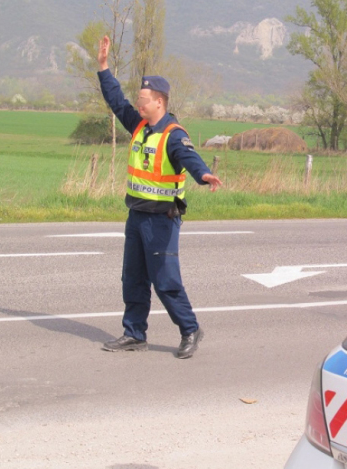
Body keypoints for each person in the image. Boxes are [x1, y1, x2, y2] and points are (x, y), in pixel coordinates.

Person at [96, 35, 222, 358]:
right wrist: (103, 68)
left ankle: (191, 329)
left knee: (165, 281)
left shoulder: (173, 134)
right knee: (133, 278)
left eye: (143, 99)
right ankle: (134, 333)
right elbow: (116, 101)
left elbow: (189, 158)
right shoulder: (139, 126)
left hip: (162, 220)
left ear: (159, 103)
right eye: (138, 98)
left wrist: (204, 174)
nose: (138, 103)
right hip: (136, 216)